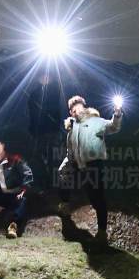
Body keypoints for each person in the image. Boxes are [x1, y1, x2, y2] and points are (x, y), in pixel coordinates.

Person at [57, 94, 123, 244]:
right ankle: (65, 205)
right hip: (77, 164)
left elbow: (113, 127)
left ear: (84, 107)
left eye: (78, 107)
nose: (75, 111)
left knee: (96, 198)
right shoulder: (71, 129)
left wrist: (117, 113)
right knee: (63, 177)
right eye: (72, 109)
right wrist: (66, 163)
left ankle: (101, 232)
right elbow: (70, 150)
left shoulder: (96, 121)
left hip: (93, 164)